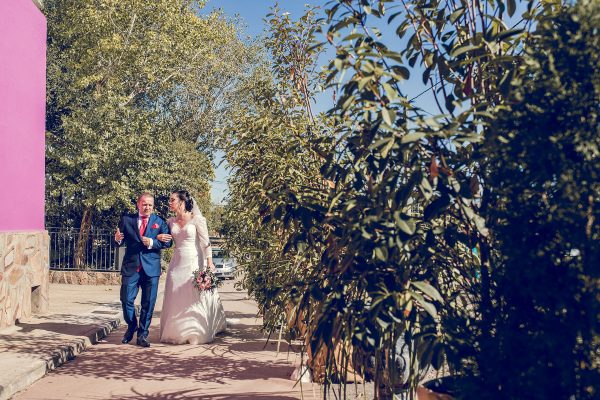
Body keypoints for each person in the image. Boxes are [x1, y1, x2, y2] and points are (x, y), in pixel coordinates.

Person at [156, 189, 226, 344]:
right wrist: (158, 237)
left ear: (182, 201)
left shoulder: (197, 219)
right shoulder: (170, 222)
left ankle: (195, 331)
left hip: (194, 262)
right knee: (175, 293)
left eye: (172, 199)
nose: (170, 202)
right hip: (176, 262)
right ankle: (176, 331)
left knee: (194, 295)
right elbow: (166, 241)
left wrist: (209, 262)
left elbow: (205, 242)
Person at [114, 192, 172, 348]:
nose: (147, 207)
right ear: (138, 204)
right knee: (126, 300)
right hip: (131, 267)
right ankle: (132, 325)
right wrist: (118, 240)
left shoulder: (159, 222)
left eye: (150, 205)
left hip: (151, 269)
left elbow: (168, 243)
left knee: (148, 303)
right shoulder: (127, 220)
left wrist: (153, 241)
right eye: (145, 204)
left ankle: (142, 335)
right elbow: (120, 239)